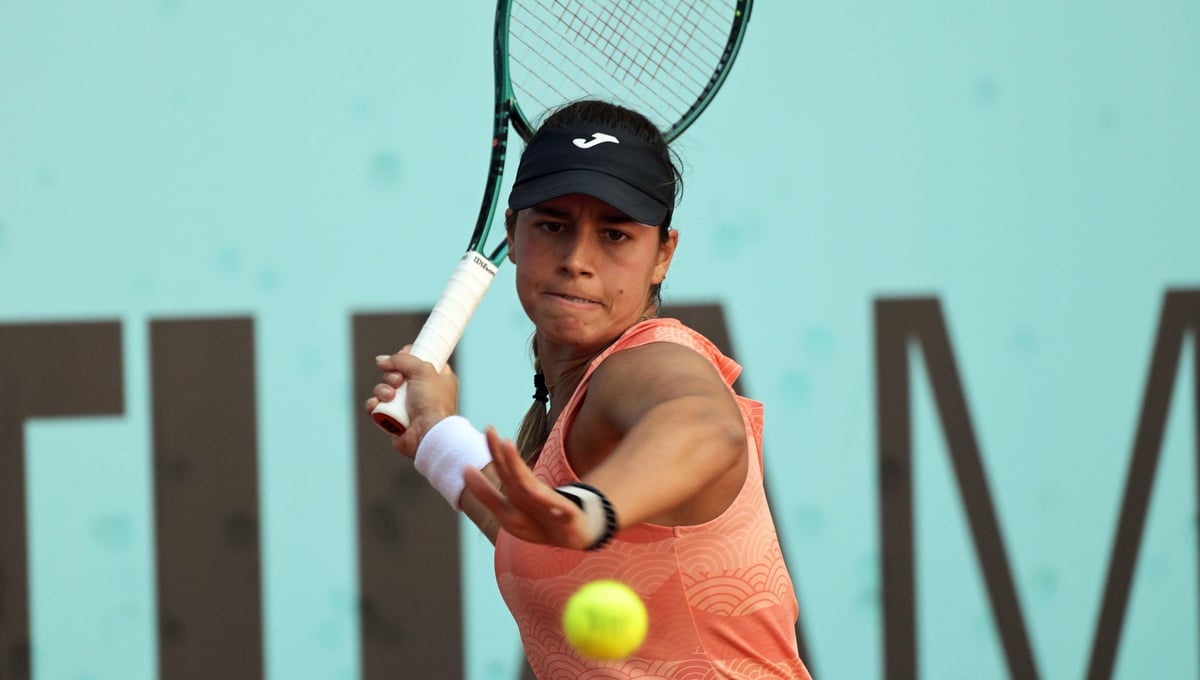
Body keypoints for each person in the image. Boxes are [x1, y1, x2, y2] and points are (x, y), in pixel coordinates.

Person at [365, 99, 812, 679]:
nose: (577, 259)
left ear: (663, 255)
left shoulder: (649, 362)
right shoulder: (580, 399)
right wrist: (438, 436)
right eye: (553, 225)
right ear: (513, 233)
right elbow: (538, 532)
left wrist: (593, 508)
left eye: (615, 234)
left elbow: (706, 426)